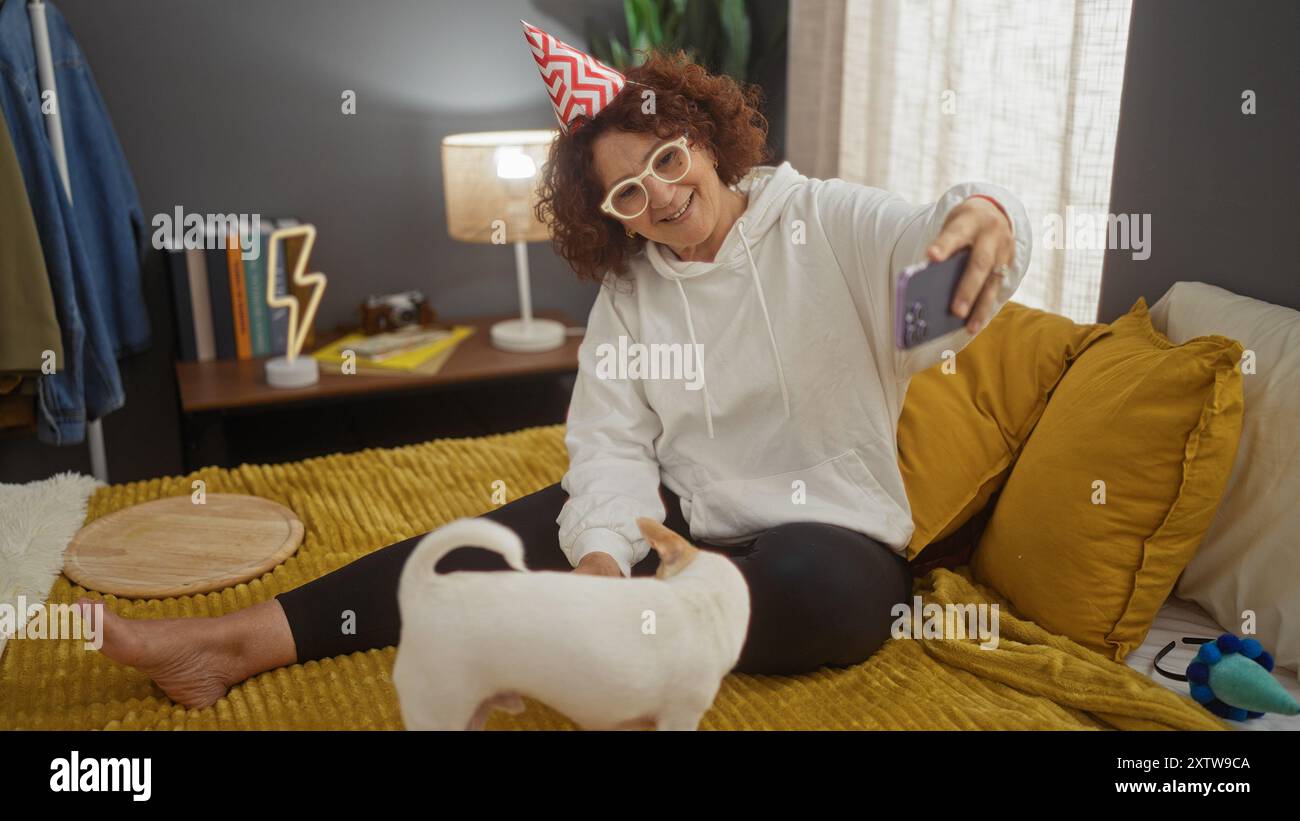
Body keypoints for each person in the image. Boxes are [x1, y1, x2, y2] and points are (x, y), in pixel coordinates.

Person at [90, 25, 1030, 712]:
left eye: (669, 157)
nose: (661, 193)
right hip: (680, 515)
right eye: (629, 189)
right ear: (610, 214)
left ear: (703, 135)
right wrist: (596, 565)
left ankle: (567, 643)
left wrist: (984, 211)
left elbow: (927, 260)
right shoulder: (630, 298)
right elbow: (612, 450)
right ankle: (235, 640)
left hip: (827, 538)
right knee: (485, 536)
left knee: (812, 585)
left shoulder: (824, 221)